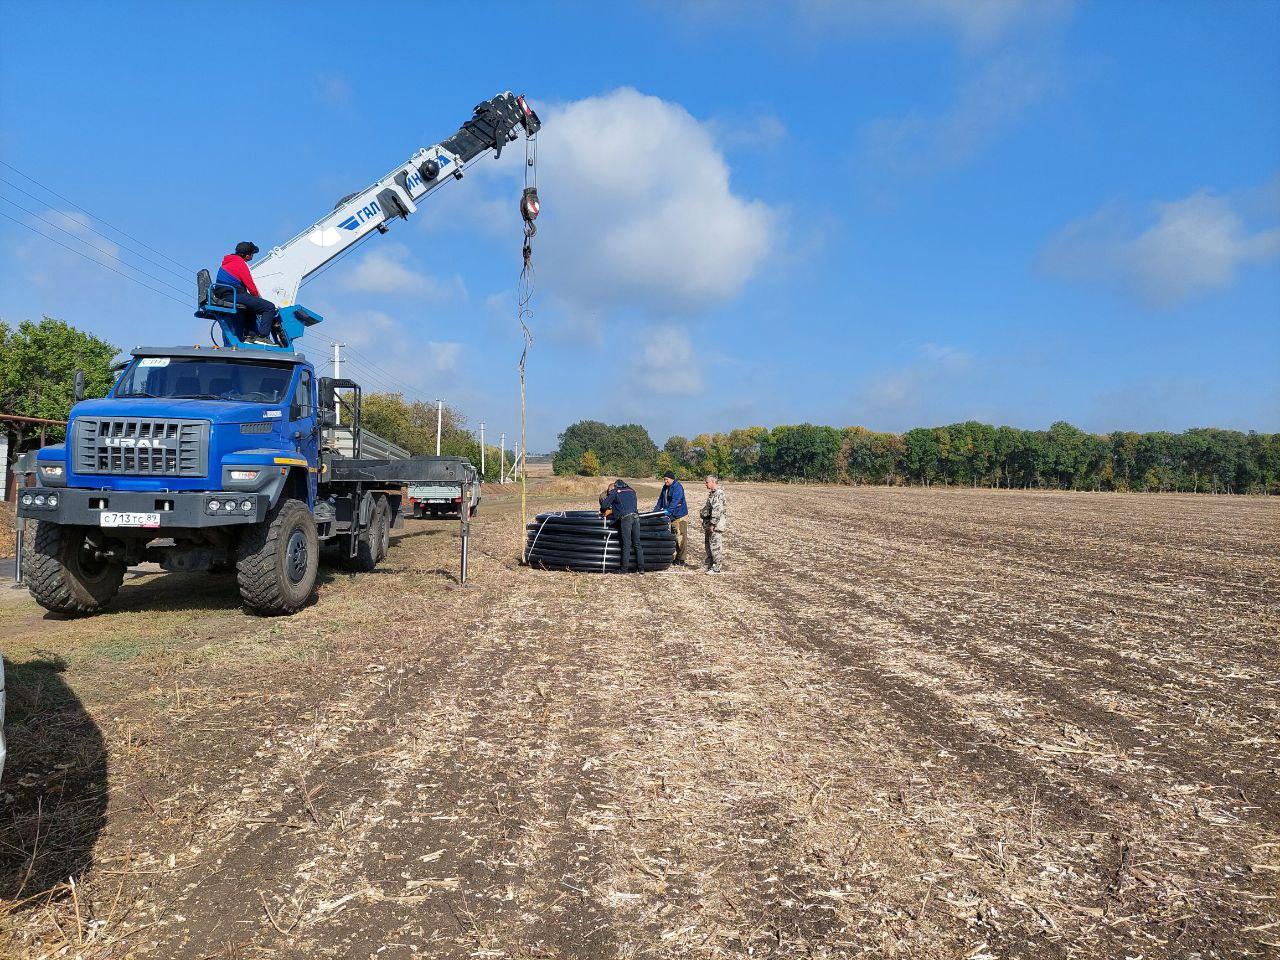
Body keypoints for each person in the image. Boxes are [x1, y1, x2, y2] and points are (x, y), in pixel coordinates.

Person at [217, 242, 279, 345]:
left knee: (251, 306)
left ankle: (250, 336)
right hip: (233, 295)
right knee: (269, 307)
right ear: (247, 255)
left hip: (226, 294)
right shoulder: (240, 264)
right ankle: (262, 337)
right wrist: (258, 299)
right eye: (252, 254)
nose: (252, 256)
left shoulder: (228, 262)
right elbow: (250, 286)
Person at [600, 479, 645, 573]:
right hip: (636, 517)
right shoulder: (632, 490)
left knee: (626, 544)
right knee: (637, 544)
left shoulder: (615, 491)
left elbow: (604, 505)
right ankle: (641, 569)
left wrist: (607, 510)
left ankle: (624, 569)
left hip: (626, 519)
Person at [654, 471, 689, 566]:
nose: (665, 481)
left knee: (681, 537)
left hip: (679, 516)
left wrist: (668, 512)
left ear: (672, 479)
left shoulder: (677, 487)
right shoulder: (665, 488)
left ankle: (681, 559)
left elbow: (675, 502)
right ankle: (677, 557)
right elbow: (660, 501)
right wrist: (654, 512)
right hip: (671, 517)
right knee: (674, 538)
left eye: (667, 479)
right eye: (664, 479)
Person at [699, 474, 728, 574]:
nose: (705, 484)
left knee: (715, 547)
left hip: (715, 526)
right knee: (709, 546)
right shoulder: (712, 493)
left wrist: (712, 524)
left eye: (707, 482)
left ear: (713, 482)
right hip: (709, 525)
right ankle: (709, 565)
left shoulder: (719, 493)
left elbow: (717, 510)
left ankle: (716, 568)